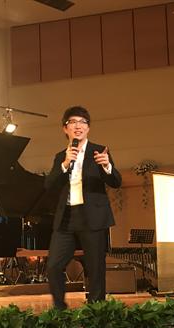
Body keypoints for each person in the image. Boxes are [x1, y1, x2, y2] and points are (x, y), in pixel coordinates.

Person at [45, 106, 122, 309]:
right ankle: (60, 310)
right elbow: (49, 185)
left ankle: (97, 311)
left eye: (82, 122)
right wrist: (64, 164)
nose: (78, 126)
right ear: (65, 129)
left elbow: (116, 182)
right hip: (67, 218)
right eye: (73, 122)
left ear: (88, 128)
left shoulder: (100, 151)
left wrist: (107, 166)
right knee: (53, 266)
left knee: (95, 268)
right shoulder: (60, 156)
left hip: (92, 217)